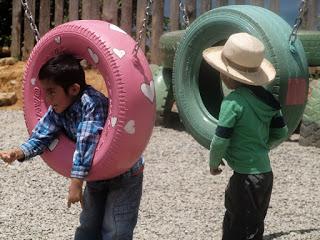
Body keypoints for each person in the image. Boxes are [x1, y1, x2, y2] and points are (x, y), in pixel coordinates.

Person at [0, 54, 144, 240]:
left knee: (115, 229)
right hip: (97, 173)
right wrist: (19, 152)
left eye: (51, 91)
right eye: (45, 92)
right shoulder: (58, 108)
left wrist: (76, 182)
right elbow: (42, 135)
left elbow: (87, 139)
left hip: (124, 172)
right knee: (88, 225)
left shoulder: (92, 103)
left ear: (74, 89)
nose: (47, 98)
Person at [202, 32, 288, 240]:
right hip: (265, 174)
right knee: (255, 224)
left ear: (229, 75)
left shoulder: (233, 102)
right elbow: (282, 132)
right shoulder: (269, 101)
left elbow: (221, 139)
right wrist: (263, 147)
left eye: (222, 71)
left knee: (236, 225)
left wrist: (214, 162)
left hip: (244, 178)